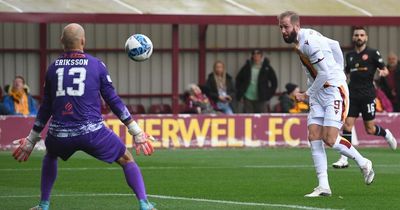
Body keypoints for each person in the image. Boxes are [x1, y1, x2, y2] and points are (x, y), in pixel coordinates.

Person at [11, 23, 156, 210]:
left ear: (61, 41)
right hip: (92, 133)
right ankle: (144, 204)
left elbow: (45, 107)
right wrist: (135, 131)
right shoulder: (97, 65)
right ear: (83, 41)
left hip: (59, 135)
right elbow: (113, 100)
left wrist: (31, 139)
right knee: (126, 159)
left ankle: (44, 204)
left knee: (51, 155)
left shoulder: (53, 69)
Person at [278, 11, 375, 197]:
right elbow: (335, 45)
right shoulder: (305, 37)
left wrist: (307, 94)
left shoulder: (309, 43)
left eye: (286, 27)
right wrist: (338, 67)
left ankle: (364, 162)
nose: (283, 31)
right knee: (314, 135)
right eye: (281, 27)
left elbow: (323, 74)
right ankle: (324, 186)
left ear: (296, 26)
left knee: (330, 139)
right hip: (319, 91)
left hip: (333, 92)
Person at [332, 27, 397, 169]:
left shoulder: (373, 53)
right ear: (353, 38)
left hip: (367, 95)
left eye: (362, 35)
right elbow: (346, 74)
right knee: (347, 126)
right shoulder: (349, 55)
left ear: (366, 37)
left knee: (370, 129)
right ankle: (344, 158)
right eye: (356, 35)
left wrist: (383, 72)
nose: (359, 37)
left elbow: (384, 69)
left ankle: (386, 134)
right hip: (352, 95)